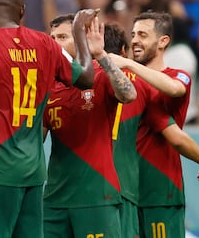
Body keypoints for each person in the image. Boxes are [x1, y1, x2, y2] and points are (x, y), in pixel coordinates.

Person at [0, 0, 95, 237]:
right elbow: (86, 77)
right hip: (32, 171)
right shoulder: (46, 44)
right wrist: (78, 32)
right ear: (22, 11)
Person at [110, 11, 199, 238]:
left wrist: (129, 64)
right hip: (122, 190)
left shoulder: (179, 76)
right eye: (133, 34)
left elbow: (175, 90)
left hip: (160, 190)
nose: (135, 40)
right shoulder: (122, 83)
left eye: (143, 34)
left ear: (163, 41)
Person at [43, 15, 136, 237]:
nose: (55, 43)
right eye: (52, 38)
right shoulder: (46, 85)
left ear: (81, 42)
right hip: (54, 199)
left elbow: (129, 94)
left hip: (96, 196)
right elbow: (36, 139)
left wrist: (101, 55)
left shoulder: (101, 75)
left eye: (63, 37)